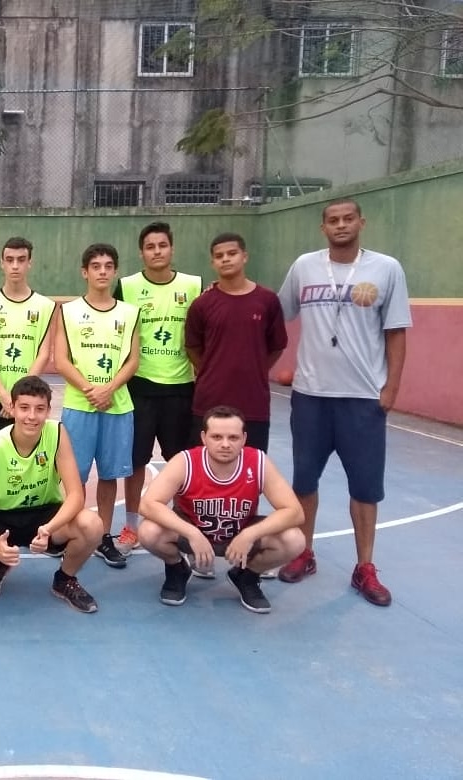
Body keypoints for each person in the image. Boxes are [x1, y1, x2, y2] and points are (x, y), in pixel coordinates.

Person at [276, 199, 412, 607]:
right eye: (333, 220)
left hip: (362, 398)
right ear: (323, 228)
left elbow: (396, 332)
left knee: (365, 488)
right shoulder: (304, 267)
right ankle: (304, 552)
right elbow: (275, 313)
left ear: (361, 223)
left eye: (347, 219)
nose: (340, 225)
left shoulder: (386, 269)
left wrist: (391, 389)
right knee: (304, 483)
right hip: (311, 396)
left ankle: (364, 566)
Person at [0, 376, 104, 612]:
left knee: (92, 524)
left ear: (48, 411)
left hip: (45, 515)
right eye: (24, 408)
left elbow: (75, 496)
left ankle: (65, 579)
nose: (31, 416)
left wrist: (49, 529)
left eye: (39, 409)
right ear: (12, 408)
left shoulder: (57, 433)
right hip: (1, 517)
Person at [138, 406, 304, 613]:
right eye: (217, 437)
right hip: (193, 532)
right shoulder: (186, 461)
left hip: (239, 534)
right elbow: (148, 504)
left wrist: (250, 534)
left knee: (294, 540)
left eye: (233, 437)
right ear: (204, 437)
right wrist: (192, 533)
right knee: (149, 531)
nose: (225, 444)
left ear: (244, 439)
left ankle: (247, 576)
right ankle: (176, 568)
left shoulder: (258, 462)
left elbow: (294, 511)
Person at [114, 221, 201, 550]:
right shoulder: (128, 287)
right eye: (150, 247)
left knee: (181, 463)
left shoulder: (193, 285)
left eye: (162, 245)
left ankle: (182, 525)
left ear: (172, 249)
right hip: (139, 388)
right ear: (142, 253)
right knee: (135, 462)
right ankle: (131, 527)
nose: (157, 251)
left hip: (181, 387)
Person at [54, 243, 140, 568]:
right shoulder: (69, 311)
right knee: (73, 476)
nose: (102, 271)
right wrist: (91, 390)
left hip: (117, 406)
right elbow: (61, 360)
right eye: (95, 266)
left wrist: (110, 389)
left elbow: (133, 360)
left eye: (108, 266)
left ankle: (103, 536)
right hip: (80, 405)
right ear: (84, 272)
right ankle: (73, 532)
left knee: (109, 475)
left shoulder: (129, 313)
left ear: (115, 271)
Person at [184, 232, 287, 452]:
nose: (226, 259)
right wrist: (211, 370)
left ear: (244, 256)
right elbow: (192, 347)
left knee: (251, 468)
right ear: (212, 262)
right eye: (219, 256)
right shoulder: (202, 304)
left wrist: (255, 368)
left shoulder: (267, 300)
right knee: (205, 467)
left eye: (232, 253)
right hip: (209, 403)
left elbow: (277, 346)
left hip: (253, 404)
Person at [0, 237, 56, 462]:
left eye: (21, 260)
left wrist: (17, 397)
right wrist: (4, 395)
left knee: (25, 465)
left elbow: (43, 354)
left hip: (28, 403)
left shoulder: (45, 306)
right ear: (2, 263)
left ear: (30, 263)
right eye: (9, 260)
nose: (15, 266)